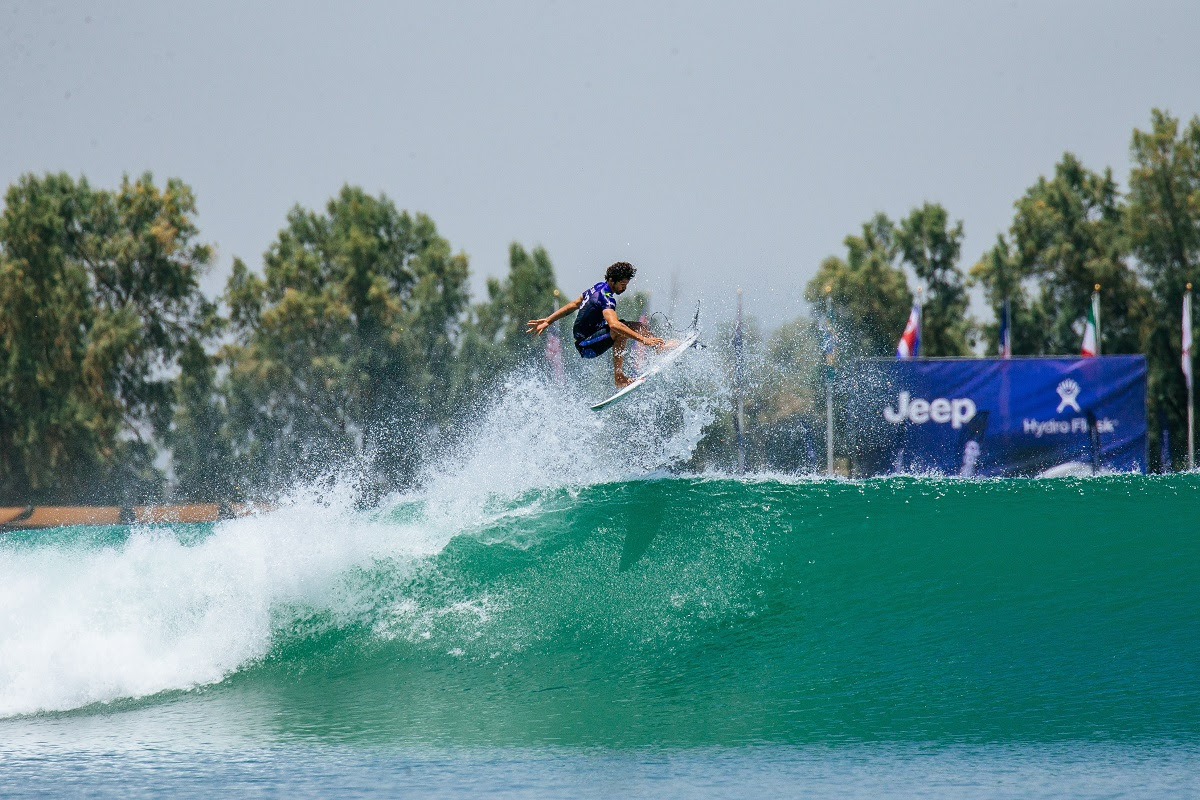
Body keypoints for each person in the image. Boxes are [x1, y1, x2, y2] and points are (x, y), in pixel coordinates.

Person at [526, 261, 667, 387]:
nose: (624, 288)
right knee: (619, 329)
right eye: (622, 285)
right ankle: (619, 378)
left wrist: (548, 320)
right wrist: (643, 340)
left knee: (637, 326)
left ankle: (659, 346)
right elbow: (614, 325)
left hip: (593, 336)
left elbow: (575, 304)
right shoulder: (606, 299)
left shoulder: (598, 287)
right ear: (612, 280)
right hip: (585, 345)